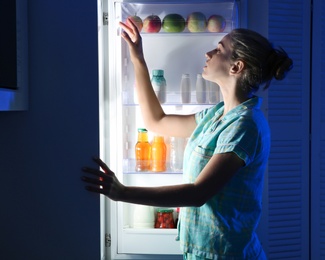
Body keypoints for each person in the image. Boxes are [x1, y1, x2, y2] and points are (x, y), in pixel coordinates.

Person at [82, 18, 292, 260]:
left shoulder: (246, 125)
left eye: (220, 49)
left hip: (228, 254)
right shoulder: (217, 115)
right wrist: (138, 58)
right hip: (205, 252)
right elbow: (156, 121)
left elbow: (197, 193)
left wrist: (123, 192)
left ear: (236, 67)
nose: (209, 52)